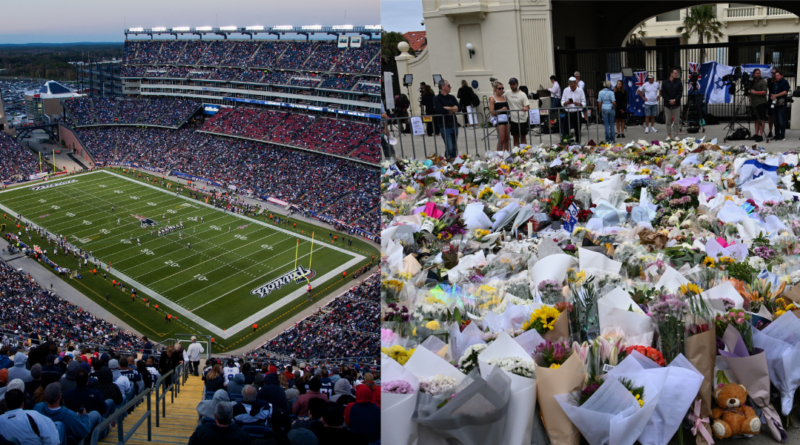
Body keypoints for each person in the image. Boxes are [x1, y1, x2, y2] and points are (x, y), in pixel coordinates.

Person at [34, 382, 103, 444]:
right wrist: (84, 417)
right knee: (95, 413)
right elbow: (84, 432)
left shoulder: (37, 408)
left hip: (46, 439)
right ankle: (106, 428)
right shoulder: (69, 415)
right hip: (69, 439)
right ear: (59, 396)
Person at [433, 79, 461, 160]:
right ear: (443, 87)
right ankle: (447, 162)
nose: (450, 87)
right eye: (449, 85)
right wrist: (453, 109)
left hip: (454, 124)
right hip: (444, 126)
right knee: (450, 147)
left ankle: (453, 162)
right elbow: (441, 110)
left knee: (454, 147)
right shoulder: (436, 98)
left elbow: (459, 108)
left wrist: (447, 108)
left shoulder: (452, 97)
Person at [504, 77, 531, 148]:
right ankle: (517, 152)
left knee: (523, 137)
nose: (512, 85)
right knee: (515, 137)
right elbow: (500, 98)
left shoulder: (522, 94)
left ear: (517, 84)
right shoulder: (507, 92)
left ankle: (524, 152)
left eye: (513, 84)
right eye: (511, 84)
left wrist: (526, 107)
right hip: (513, 119)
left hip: (522, 119)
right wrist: (492, 98)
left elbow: (528, 105)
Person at [561, 77, 586, 144]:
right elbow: (562, 101)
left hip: (577, 112)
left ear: (576, 84)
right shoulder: (565, 90)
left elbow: (584, 102)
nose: (572, 88)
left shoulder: (580, 90)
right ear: (569, 84)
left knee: (577, 129)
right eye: (571, 86)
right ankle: (566, 143)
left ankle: (578, 143)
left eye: (573, 86)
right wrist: (566, 103)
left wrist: (579, 104)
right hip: (568, 112)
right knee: (566, 129)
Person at [661, 68, 682, 139]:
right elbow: (663, 93)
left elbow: (680, 93)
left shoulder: (679, 82)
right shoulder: (665, 82)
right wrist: (669, 100)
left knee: (676, 121)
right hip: (667, 105)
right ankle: (669, 135)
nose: (677, 74)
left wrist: (675, 100)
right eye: (675, 73)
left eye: (677, 73)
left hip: (676, 105)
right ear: (671, 74)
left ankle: (676, 135)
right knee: (668, 121)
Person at [489, 82, 510, 151]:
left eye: (502, 88)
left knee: (507, 139)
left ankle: (507, 154)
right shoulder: (493, 99)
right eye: (500, 88)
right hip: (499, 120)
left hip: (507, 119)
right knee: (501, 139)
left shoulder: (505, 97)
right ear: (495, 89)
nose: (501, 90)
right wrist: (501, 110)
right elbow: (492, 112)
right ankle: (499, 155)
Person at [770, 69, 790, 141]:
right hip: (774, 103)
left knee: (781, 120)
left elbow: (785, 92)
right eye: (776, 76)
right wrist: (772, 96)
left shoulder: (784, 82)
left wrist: (776, 95)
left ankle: (782, 135)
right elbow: (772, 92)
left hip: (781, 103)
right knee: (775, 120)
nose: (777, 77)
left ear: (782, 75)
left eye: (778, 76)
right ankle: (777, 134)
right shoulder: (775, 83)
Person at [750, 68, 768, 142]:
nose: (758, 74)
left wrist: (755, 92)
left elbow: (764, 92)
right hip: (754, 103)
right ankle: (756, 134)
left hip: (761, 103)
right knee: (756, 120)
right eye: (757, 73)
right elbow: (749, 92)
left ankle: (761, 135)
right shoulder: (751, 82)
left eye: (759, 73)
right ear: (753, 74)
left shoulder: (763, 82)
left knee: (761, 119)